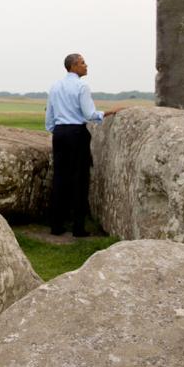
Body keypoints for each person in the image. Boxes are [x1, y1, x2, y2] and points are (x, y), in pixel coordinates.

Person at [44, 54, 117, 237]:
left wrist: (57, 130)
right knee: (80, 179)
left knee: (59, 178)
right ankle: (78, 227)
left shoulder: (55, 86)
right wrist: (109, 112)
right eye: (83, 62)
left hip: (60, 133)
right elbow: (89, 113)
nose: (86, 65)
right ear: (74, 66)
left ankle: (56, 226)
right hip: (77, 133)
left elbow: (49, 117)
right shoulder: (82, 86)